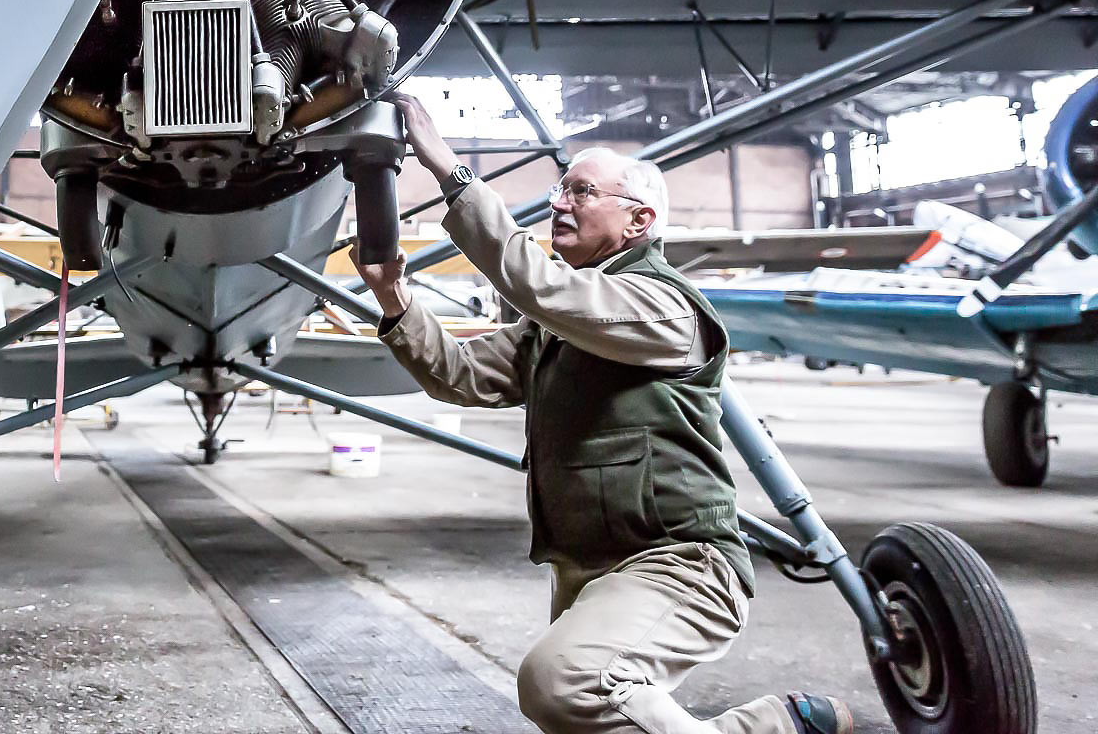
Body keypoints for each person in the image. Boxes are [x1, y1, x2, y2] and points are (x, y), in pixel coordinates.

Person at [356, 94, 852, 734]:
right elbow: (461, 377)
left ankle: (775, 726)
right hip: (586, 570)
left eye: (581, 192)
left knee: (565, 683)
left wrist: (449, 169)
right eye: (561, 189)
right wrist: (393, 296)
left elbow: (544, 288)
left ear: (638, 220)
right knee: (587, 710)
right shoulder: (556, 331)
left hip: (680, 563)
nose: (560, 202)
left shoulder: (663, 307)